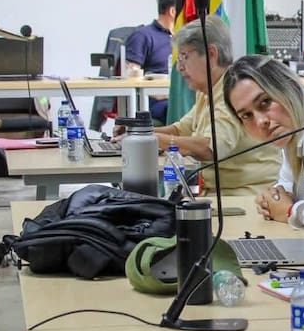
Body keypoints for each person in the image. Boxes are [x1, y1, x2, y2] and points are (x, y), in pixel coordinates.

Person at [119, 15, 280, 196]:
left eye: (184, 57)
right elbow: (181, 129)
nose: (179, 67)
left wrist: (152, 140)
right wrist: (138, 134)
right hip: (217, 194)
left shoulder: (234, 92)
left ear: (211, 55)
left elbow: (210, 148)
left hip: (244, 199)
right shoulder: (209, 90)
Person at [224, 55, 304, 229]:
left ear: (289, 86)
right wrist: (272, 197)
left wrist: (289, 211)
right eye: (246, 115)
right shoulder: (292, 128)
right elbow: (287, 183)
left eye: (265, 102)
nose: (260, 122)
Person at [125, 0, 176, 123]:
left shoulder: (183, 38)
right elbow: (132, 76)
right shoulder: (143, 36)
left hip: (179, 95)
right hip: (154, 100)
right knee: (179, 110)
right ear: (173, 11)